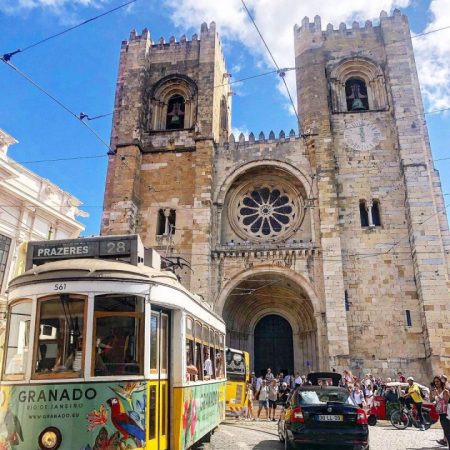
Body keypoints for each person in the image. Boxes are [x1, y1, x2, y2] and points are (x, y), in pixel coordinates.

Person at [430, 375, 450, 447]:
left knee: (447, 430)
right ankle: (445, 441)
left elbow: (445, 402)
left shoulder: (446, 390)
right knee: (446, 430)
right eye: (435, 382)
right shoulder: (436, 390)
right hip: (441, 413)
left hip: (447, 413)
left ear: (441, 382)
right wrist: (431, 391)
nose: (436, 383)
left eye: (438, 381)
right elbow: (431, 400)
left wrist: (437, 394)